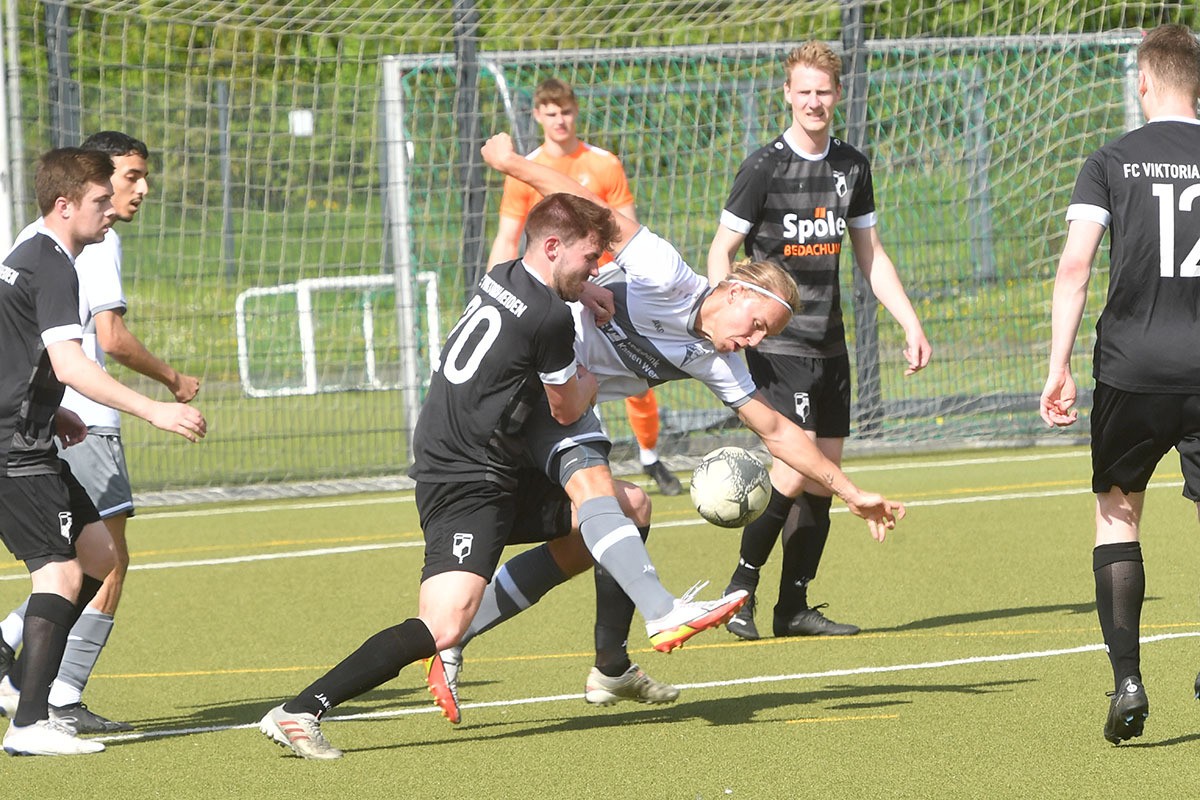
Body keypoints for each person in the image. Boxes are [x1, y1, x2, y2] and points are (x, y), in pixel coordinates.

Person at [427, 132, 907, 717]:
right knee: (594, 496)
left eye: (766, 337)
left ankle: (604, 667)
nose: (754, 342)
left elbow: (779, 434)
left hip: (568, 402)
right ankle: (654, 612)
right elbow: (589, 208)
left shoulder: (720, 360)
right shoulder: (665, 273)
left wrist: (851, 493)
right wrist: (511, 163)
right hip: (532, 388)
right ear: (731, 291)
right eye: (755, 324)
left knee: (630, 511)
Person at [259, 192, 740, 760]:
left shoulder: (507, 273)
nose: (597, 269)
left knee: (626, 505)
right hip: (465, 478)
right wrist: (593, 377)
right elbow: (567, 407)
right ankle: (300, 710)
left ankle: (612, 664)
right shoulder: (549, 319)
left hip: (490, 463)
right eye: (590, 260)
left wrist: (583, 288)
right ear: (555, 247)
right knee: (442, 624)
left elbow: (546, 302)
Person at [708, 41, 930, 641]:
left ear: (839, 94)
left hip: (831, 347)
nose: (814, 101)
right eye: (803, 91)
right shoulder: (764, 167)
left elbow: (871, 255)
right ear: (787, 94)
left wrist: (909, 321)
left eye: (824, 91)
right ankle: (740, 589)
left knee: (824, 472)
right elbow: (720, 250)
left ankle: (793, 607)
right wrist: (730, 313)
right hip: (777, 348)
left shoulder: (852, 165)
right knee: (793, 468)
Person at [0, 147, 205, 756]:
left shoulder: (28, 252)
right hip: (14, 447)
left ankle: (21, 681)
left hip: (28, 430)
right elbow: (73, 361)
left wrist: (47, 406)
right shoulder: (57, 266)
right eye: (99, 200)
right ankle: (30, 721)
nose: (111, 209)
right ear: (65, 205)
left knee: (94, 554)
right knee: (60, 572)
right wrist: (155, 408)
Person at [1039, 23, 1200, 746]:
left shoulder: (1110, 159)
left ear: (1143, 83)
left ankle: (1129, 678)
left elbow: (1075, 269)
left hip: (1132, 368)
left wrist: (1058, 365)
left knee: (1118, 516)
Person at [489, 77, 682, 497]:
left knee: (638, 366)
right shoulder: (526, 168)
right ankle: (570, 459)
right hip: (556, 283)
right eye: (551, 113)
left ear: (576, 113)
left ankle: (650, 456)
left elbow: (624, 227)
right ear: (538, 115)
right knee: (560, 374)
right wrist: (492, 293)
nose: (560, 120)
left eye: (567, 112)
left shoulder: (603, 163)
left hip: (608, 278)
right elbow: (507, 237)